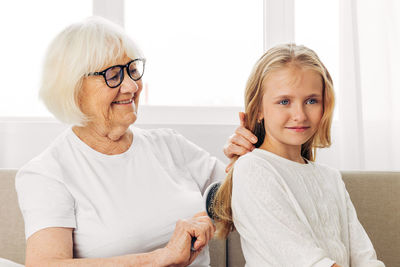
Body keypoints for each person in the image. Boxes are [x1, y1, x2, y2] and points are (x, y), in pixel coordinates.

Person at [15, 16, 254, 267]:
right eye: (113, 75)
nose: (131, 86)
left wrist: (245, 161)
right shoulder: (47, 173)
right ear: (73, 88)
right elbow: (45, 264)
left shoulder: (169, 145)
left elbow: (239, 198)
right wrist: (161, 258)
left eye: (132, 70)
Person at [213, 44, 385, 267]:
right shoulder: (253, 169)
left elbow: (365, 259)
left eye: (312, 101)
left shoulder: (330, 178)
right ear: (259, 110)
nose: (300, 115)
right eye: (284, 101)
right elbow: (305, 262)